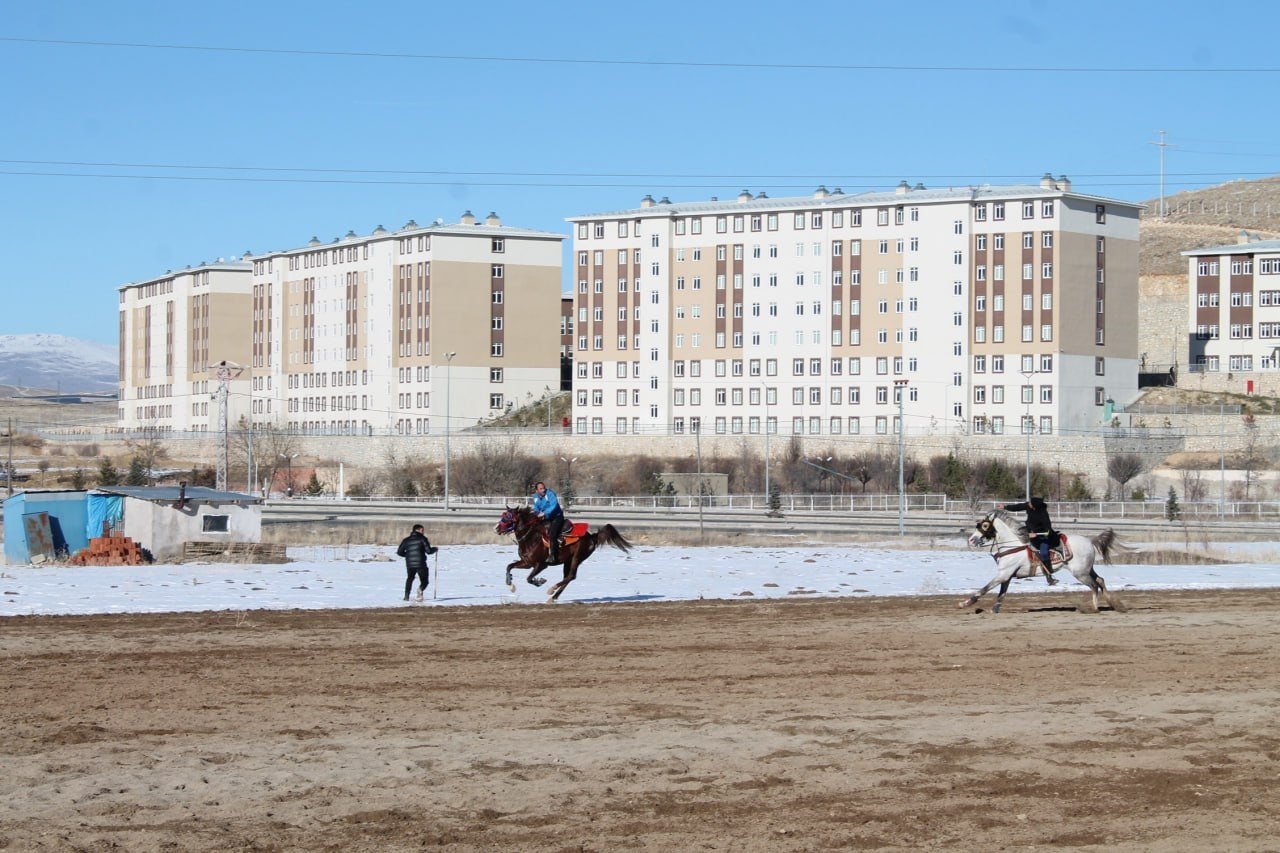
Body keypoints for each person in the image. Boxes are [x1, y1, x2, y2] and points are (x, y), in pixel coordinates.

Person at [1003, 497, 1059, 585]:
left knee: (1043, 552)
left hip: (1043, 536)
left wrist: (1037, 534)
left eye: (1030, 503)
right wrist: (1005, 507)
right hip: (1029, 531)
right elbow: (1019, 507)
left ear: (1034, 505)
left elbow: (1047, 529)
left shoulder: (1043, 514)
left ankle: (1049, 574)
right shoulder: (1029, 506)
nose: (1028, 503)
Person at [396, 523, 437, 601]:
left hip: (410, 564)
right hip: (421, 563)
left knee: (410, 579)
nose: (423, 532)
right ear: (418, 530)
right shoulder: (423, 539)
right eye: (422, 530)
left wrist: (408, 555)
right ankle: (420, 589)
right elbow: (428, 551)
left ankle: (406, 596)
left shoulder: (406, 540)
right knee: (425, 581)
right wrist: (435, 549)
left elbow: (399, 552)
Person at [532, 481, 566, 564]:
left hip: (556, 517)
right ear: (537, 490)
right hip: (546, 518)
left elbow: (554, 505)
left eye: (544, 488)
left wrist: (544, 513)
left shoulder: (550, 494)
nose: (543, 490)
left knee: (552, 534)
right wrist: (536, 512)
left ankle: (553, 556)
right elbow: (536, 507)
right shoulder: (535, 497)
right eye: (541, 489)